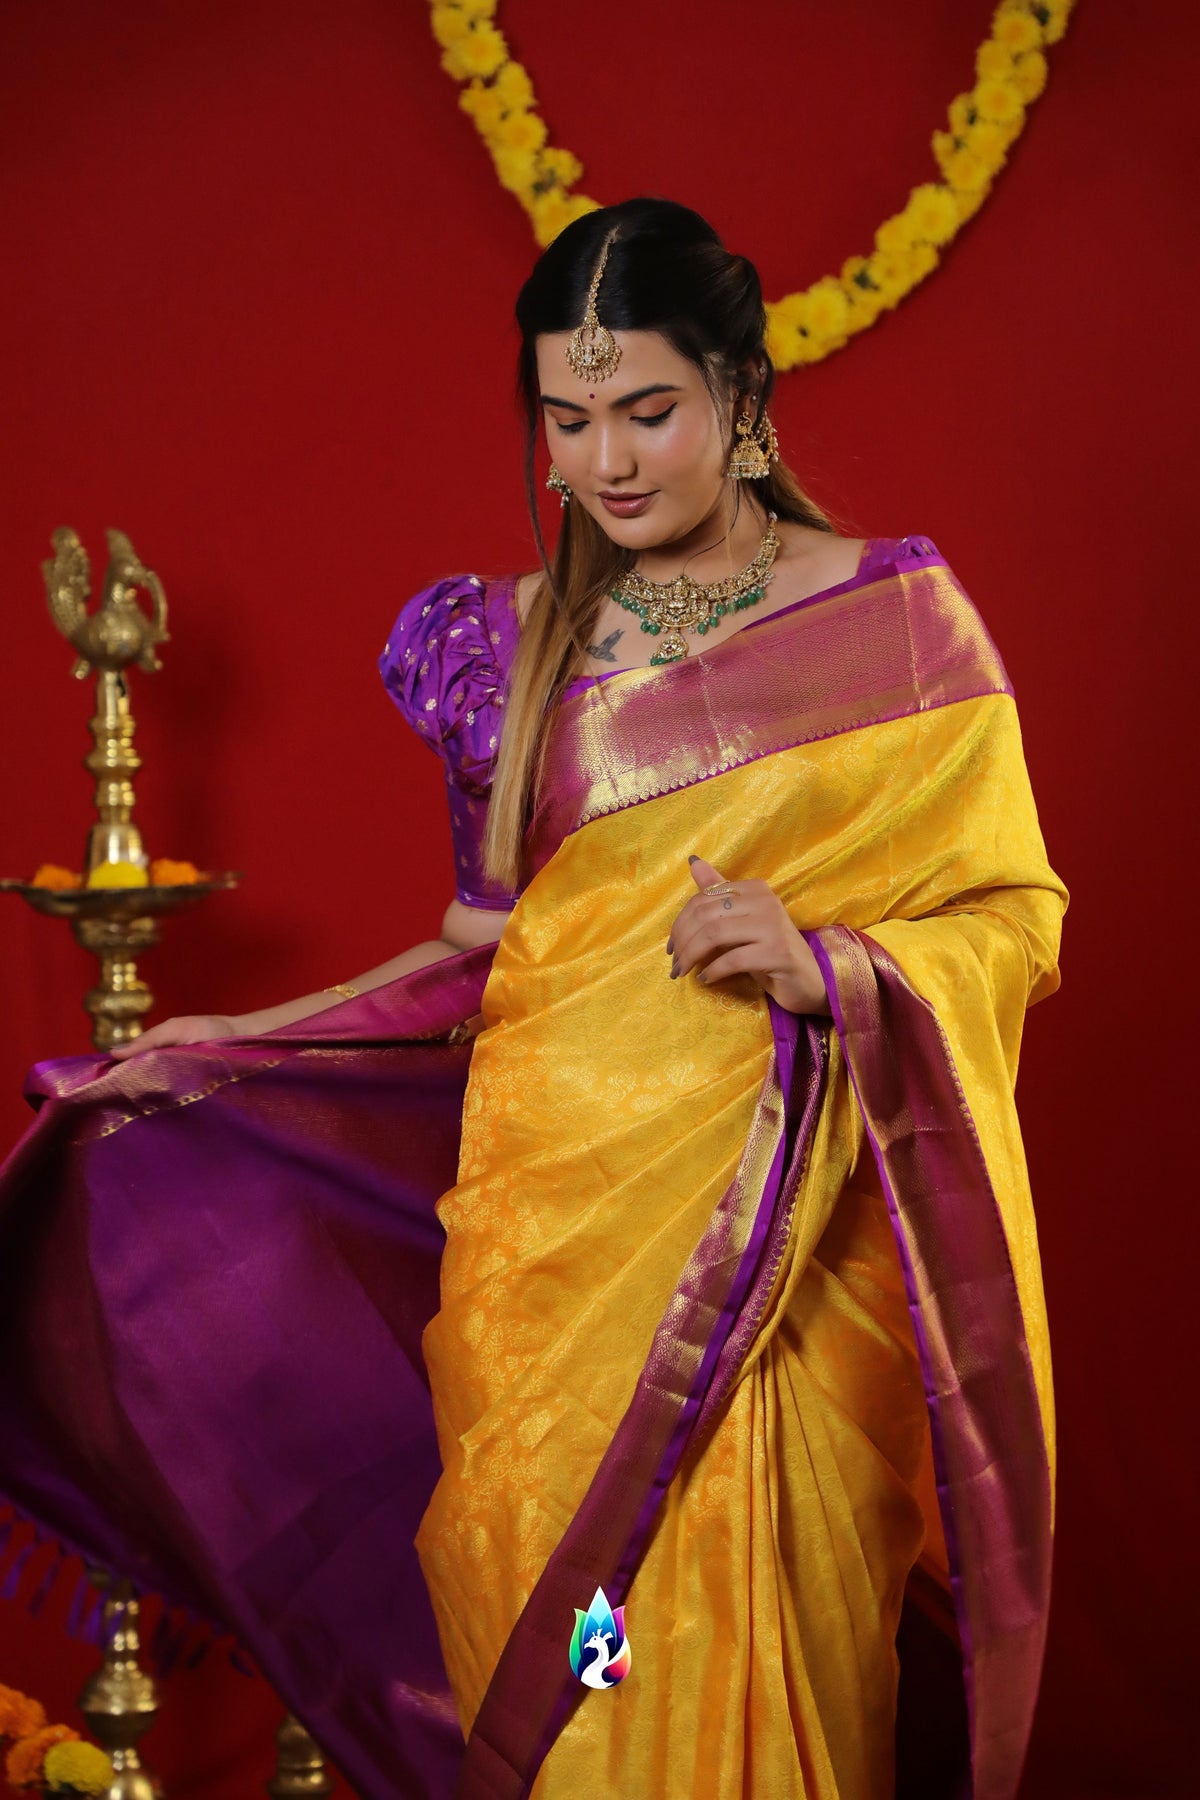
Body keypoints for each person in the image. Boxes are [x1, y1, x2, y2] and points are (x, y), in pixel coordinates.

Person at [0, 197, 1066, 1800]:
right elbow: (491, 947)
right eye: (569, 421)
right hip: (545, 1261)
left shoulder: (900, 630)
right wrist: (245, 1041)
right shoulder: (509, 648)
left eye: (648, 411)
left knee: (764, 1632)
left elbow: (1012, 915)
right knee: (588, 1661)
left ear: (742, 396)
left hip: (784, 1259)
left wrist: (831, 963)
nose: (606, 462)